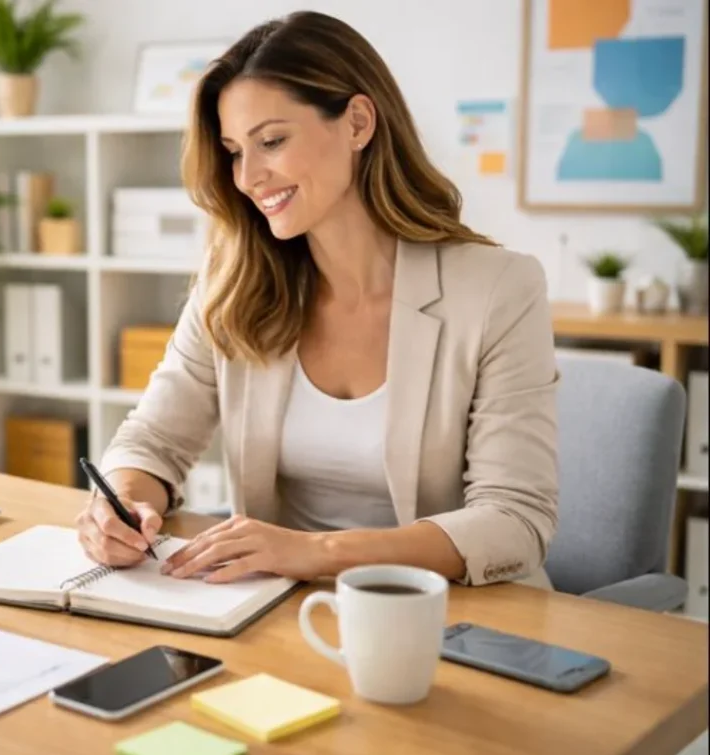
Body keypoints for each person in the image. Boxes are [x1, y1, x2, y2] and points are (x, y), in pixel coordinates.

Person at [76, 11, 558, 589]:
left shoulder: (499, 290)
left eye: (272, 141)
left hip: (451, 616)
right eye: (233, 151)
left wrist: (317, 552)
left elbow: (514, 521)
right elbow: (152, 440)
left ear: (357, 122)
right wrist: (123, 502)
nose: (248, 177)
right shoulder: (234, 283)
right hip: (279, 612)